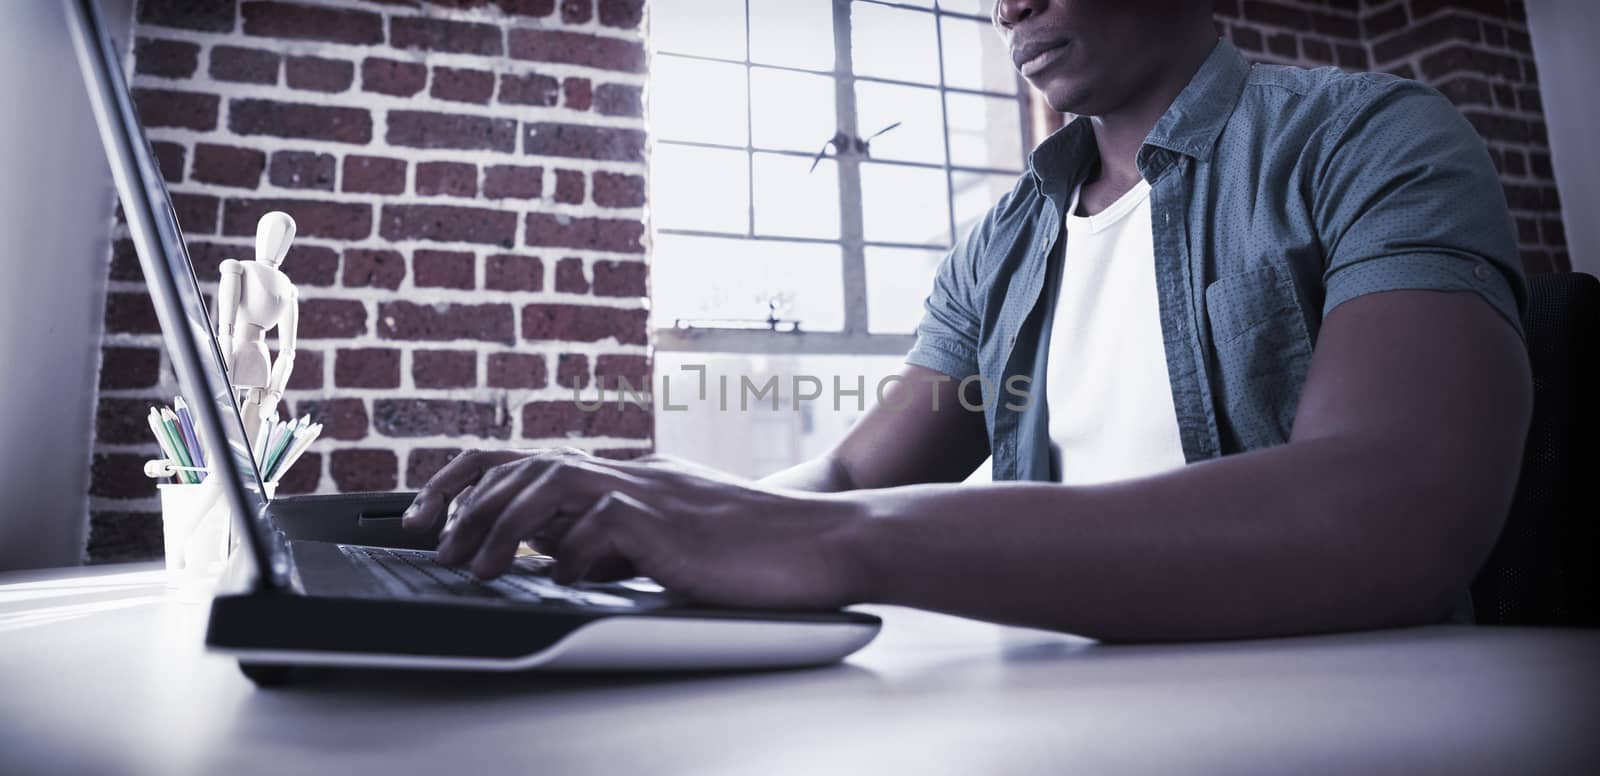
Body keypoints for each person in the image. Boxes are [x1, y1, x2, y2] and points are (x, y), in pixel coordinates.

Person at [401, 0, 1531, 642]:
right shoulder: (1002, 241)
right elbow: (848, 468)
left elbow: (1396, 507)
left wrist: (831, 545)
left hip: (1343, 705)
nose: (1009, 4)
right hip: (1067, 693)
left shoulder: (1372, 137)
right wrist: (635, 493)